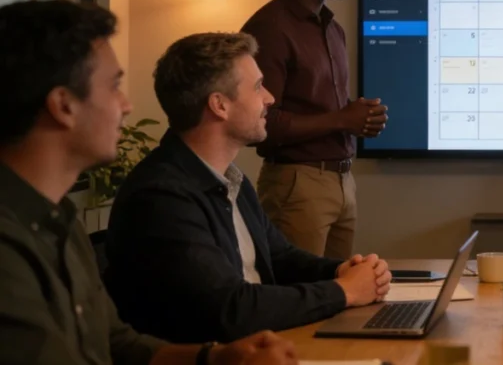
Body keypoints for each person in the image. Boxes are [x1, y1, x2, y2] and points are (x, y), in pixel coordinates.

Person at [0, 0, 297, 364]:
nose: (126, 105)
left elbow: (119, 343)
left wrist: (217, 359)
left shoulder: (61, 222)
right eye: (113, 86)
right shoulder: (8, 247)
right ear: (64, 106)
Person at [104, 32, 392, 344]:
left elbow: (279, 258)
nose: (269, 98)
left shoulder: (230, 179)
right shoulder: (161, 197)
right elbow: (229, 309)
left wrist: (342, 271)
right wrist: (344, 291)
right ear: (219, 105)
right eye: (257, 87)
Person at [241, 0, 386, 259]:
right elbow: (260, 124)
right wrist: (341, 120)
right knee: (301, 299)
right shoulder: (268, 29)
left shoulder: (332, 28)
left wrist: (360, 117)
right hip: (297, 184)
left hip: (342, 180)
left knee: (340, 296)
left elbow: (318, 107)